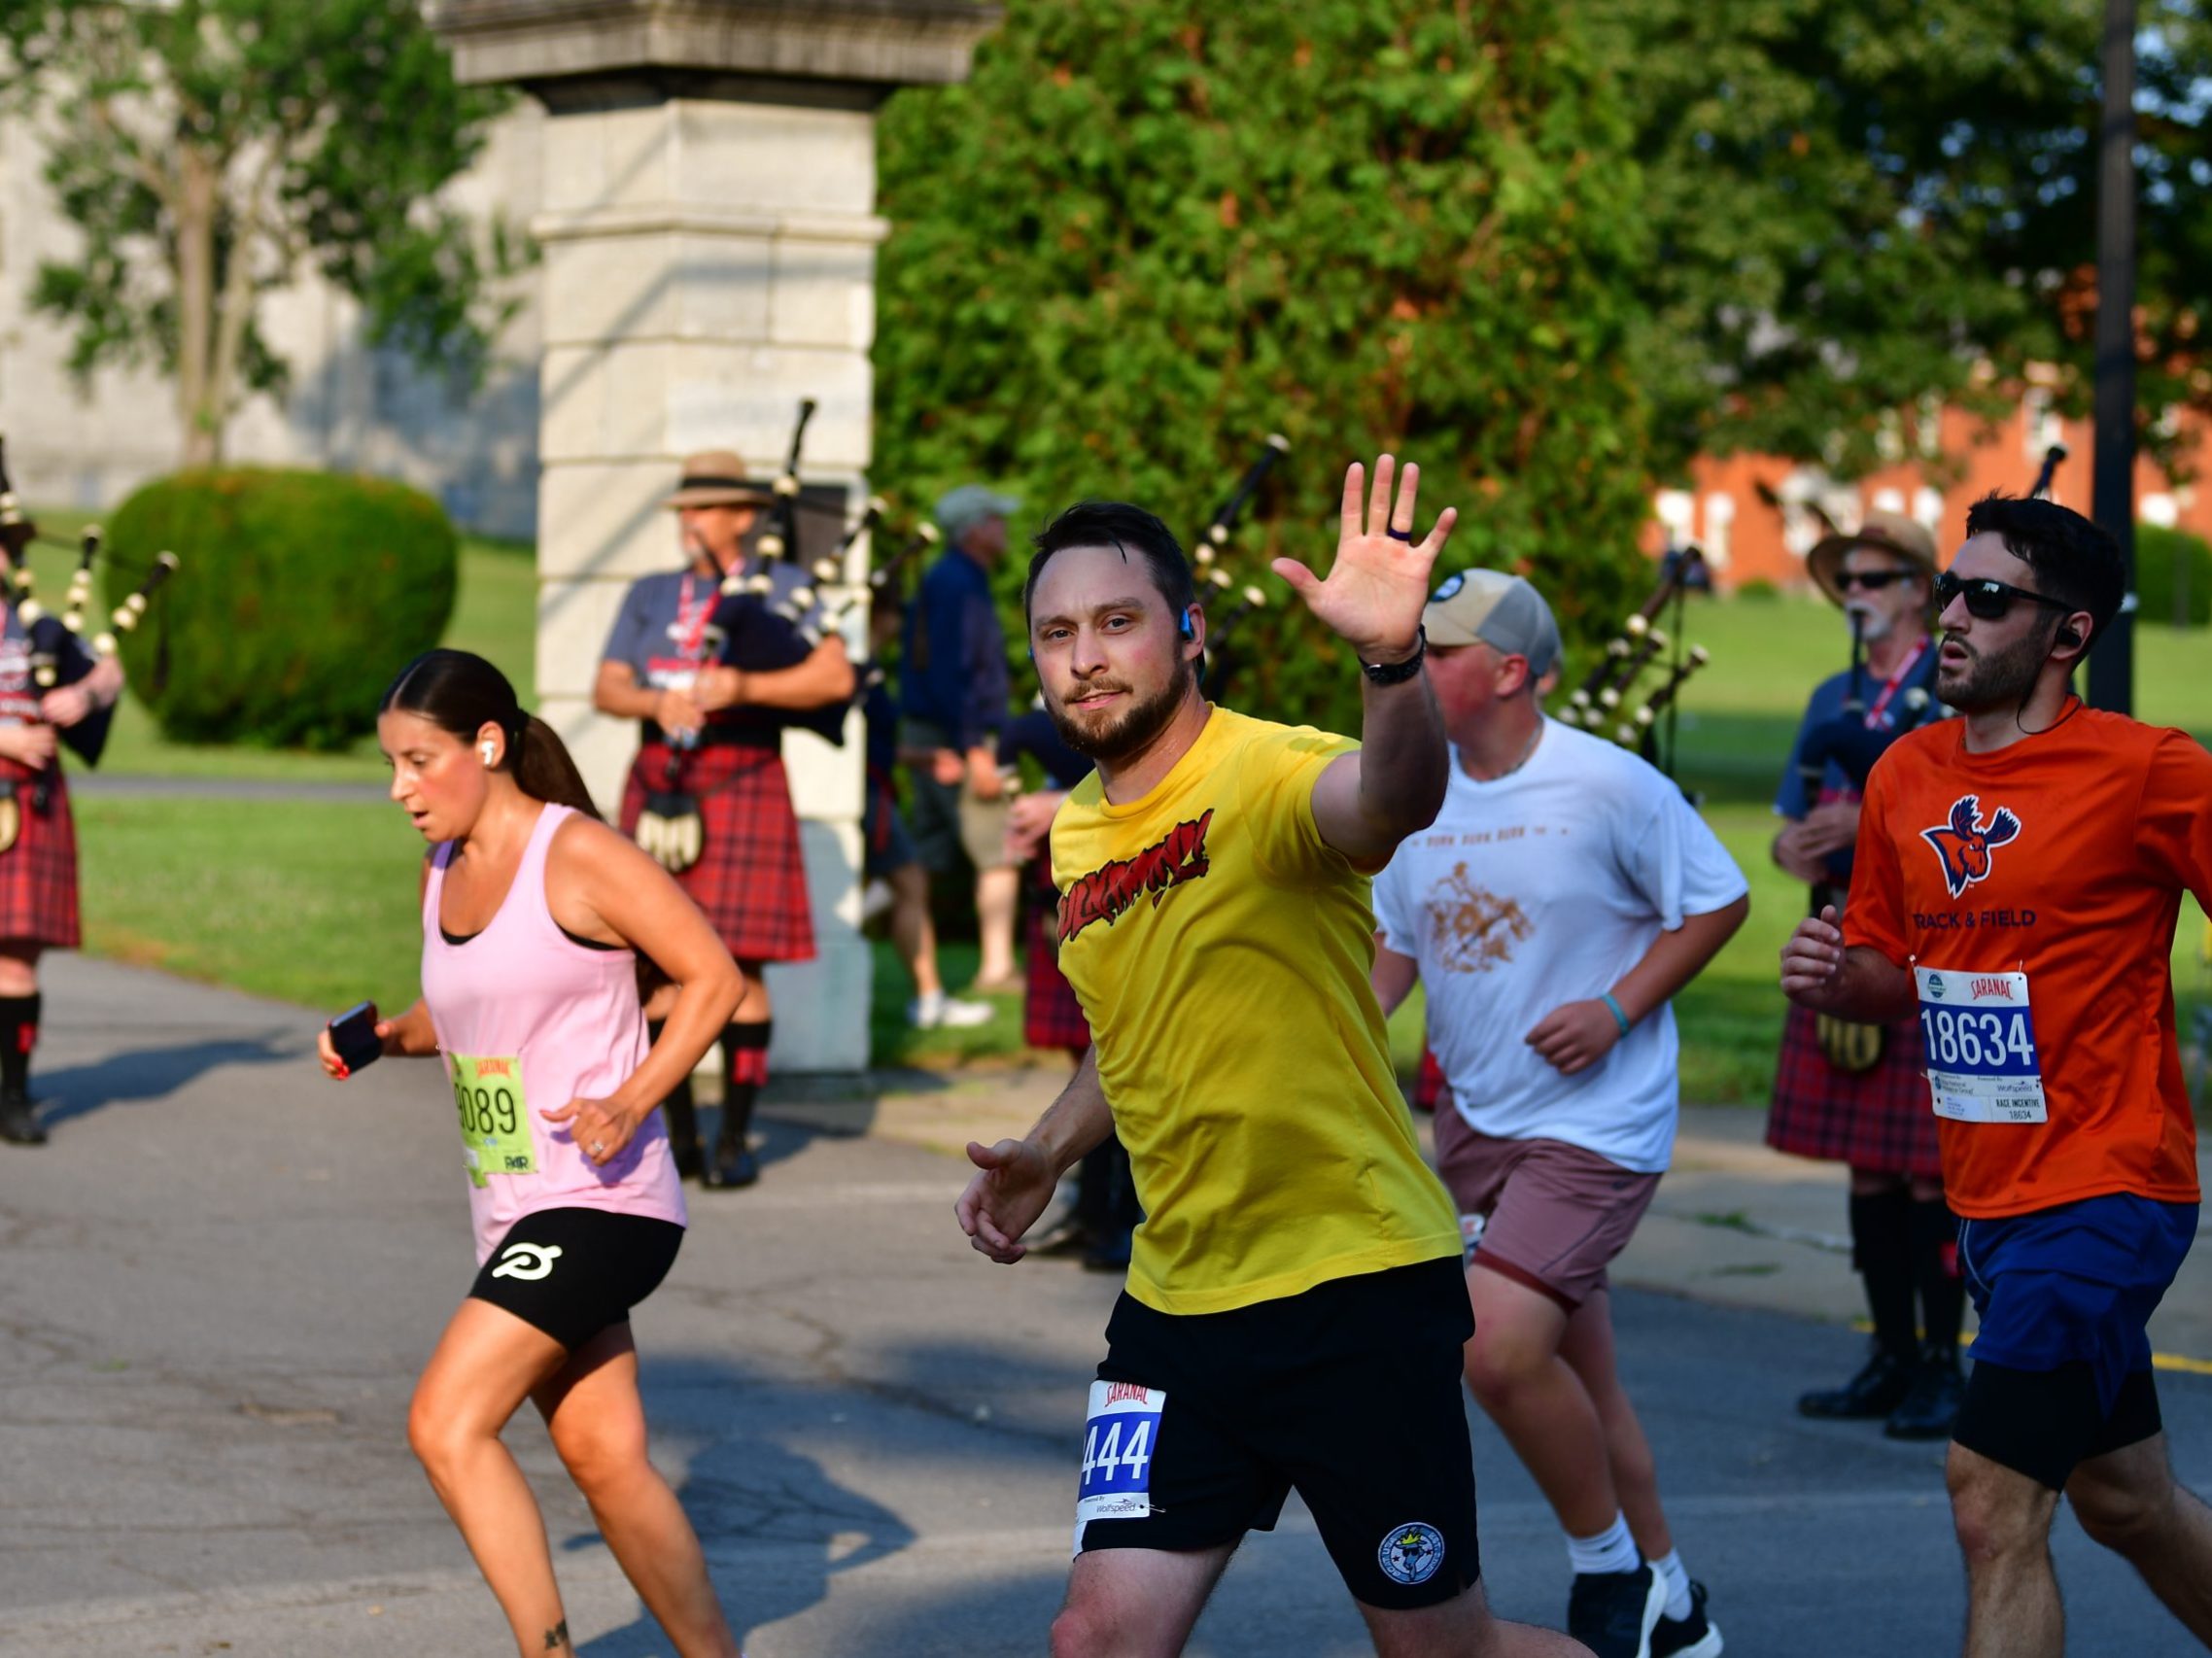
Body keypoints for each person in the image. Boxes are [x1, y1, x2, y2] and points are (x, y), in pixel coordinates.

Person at [957, 460, 1588, 1658]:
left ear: (1187, 632)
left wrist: (1391, 662)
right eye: (1055, 632)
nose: (1084, 654)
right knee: (1094, 1639)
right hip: (1173, 1307)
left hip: (1350, 1293)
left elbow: (1391, 797)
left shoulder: (1268, 770)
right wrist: (1045, 1147)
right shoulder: (1079, 830)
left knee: (1442, 1653)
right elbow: (1128, 1031)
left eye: (1116, 621)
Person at [1780, 495, 2212, 1658]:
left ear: (2066, 635)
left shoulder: (2147, 770)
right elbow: (1885, 967)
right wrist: (1835, 972)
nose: (1947, 617)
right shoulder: (1904, 776)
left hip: (2105, 1185)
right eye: (1945, 591)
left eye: (1986, 597)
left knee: (1988, 1495)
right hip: (1987, 1197)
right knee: (2122, 1498)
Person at [322, 649, 743, 1658]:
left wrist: (632, 1095)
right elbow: (466, 1015)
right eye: (392, 765)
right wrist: (382, 1036)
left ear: (489, 743)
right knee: (604, 1454)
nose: (401, 789)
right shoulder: (443, 869)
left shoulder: (577, 854)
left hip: (601, 1200)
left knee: (445, 1420)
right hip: (516, 1209)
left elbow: (712, 976)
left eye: (420, 761)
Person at [1370, 570, 1746, 1658]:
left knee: (1490, 1347)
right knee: (1581, 1379)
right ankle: (1673, 1601)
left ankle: (1608, 1570)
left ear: (1510, 670)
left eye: (1437, 649)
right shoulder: (1416, 790)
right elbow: (1397, 944)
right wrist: (1343, 1032)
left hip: (1595, 1129)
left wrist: (1616, 1007)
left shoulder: (1606, 784)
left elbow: (1715, 897)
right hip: (1478, 1127)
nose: (1416, 663)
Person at [595, 449, 856, 1189]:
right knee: (659, 961)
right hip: (662, 776)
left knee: (741, 963)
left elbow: (833, 677)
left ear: (745, 515)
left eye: (704, 508)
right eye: (684, 508)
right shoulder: (651, 593)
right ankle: (679, 1138)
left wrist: (741, 683)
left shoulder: (785, 586)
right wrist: (657, 701)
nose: (690, 521)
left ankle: (735, 1139)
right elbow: (608, 686)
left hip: (744, 772)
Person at [1768, 510, 1964, 1438]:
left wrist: (1865, 829)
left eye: (1878, 578)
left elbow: (1967, 818)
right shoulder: (1826, 698)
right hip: (1842, 938)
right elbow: (1789, 815)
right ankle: (1888, 1354)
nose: (1860, 595)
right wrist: (1796, 844)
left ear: (1922, 591)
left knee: (1930, 1174)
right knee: (1870, 1172)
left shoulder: (1952, 687)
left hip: (1928, 943)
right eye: (1849, 580)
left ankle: (1941, 1362)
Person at [998, 704, 1143, 1272]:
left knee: (1133, 1059)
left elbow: (1163, 774)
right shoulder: (1058, 704)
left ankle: (1127, 1215)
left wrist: (1061, 803)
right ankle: (1091, 1210)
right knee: (1086, 1063)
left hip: (1132, 870)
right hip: (1078, 875)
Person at [0, 513, 124, 1148]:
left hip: (28, 804)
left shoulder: (39, 630)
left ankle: (13, 1096)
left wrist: (87, 698)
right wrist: (7, 736)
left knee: (16, 960)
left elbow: (110, 671)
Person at [901, 483, 1022, 993]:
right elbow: (956, 673)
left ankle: (923, 977)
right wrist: (975, 749)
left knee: (919, 861)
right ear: (974, 529)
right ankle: (996, 968)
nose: (1005, 528)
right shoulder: (961, 584)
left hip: (930, 731)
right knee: (1000, 851)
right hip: (959, 737)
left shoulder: (944, 577)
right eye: (997, 519)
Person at [860, 596, 990, 1030]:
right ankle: (928, 998)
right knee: (909, 882)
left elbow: (876, 742)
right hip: (867, 794)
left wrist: (921, 758)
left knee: (900, 886)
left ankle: (927, 994)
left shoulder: (870, 665)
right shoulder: (856, 665)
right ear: (882, 612)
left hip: (875, 788)